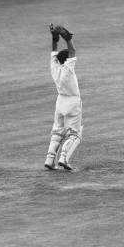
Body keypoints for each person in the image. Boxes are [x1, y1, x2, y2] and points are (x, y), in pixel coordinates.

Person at [45, 24, 82, 171]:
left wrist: (54, 38)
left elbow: (54, 51)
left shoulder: (55, 67)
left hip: (60, 102)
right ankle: (63, 159)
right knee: (74, 134)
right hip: (73, 102)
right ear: (67, 60)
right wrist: (67, 38)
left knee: (57, 132)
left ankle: (49, 159)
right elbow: (72, 51)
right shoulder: (68, 68)